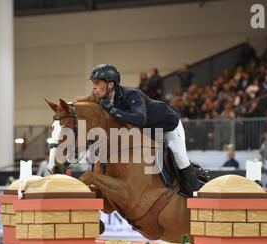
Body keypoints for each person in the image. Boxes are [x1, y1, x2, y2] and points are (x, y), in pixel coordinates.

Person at [78, 64, 200, 196]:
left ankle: (197, 197)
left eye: (97, 83)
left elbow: (140, 119)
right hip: (146, 131)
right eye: (93, 83)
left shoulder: (132, 94)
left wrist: (114, 111)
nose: (94, 87)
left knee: (180, 159)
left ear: (111, 84)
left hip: (168, 126)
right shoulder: (103, 102)